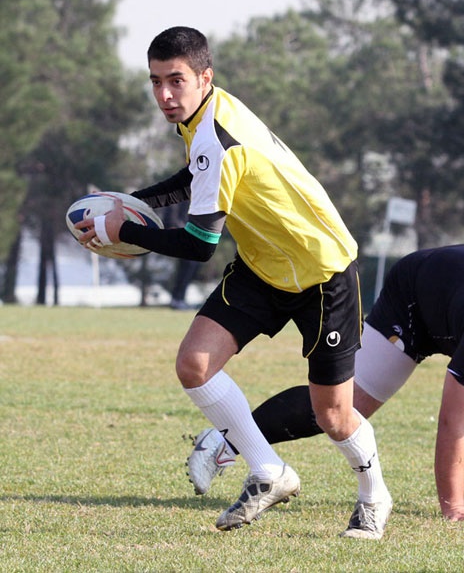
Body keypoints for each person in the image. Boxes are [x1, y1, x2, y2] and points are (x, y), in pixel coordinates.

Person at [76, 26, 391, 539]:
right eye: (155, 82)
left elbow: (200, 244)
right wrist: (131, 201)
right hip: (264, 265)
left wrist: (124, 228)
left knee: (333, 414)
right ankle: (269, 471)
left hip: (321, 270)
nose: (164, 95)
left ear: (205, 77)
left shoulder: (216, 134)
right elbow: (195, 179)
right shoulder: (204, 117)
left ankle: (374, 495)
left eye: (175, 81)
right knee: (194, 365)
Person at [187, 244, 464, 521]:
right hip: (418, 298)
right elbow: (452, 425)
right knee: (348, 407)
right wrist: (453, 507)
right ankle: (225, 439)